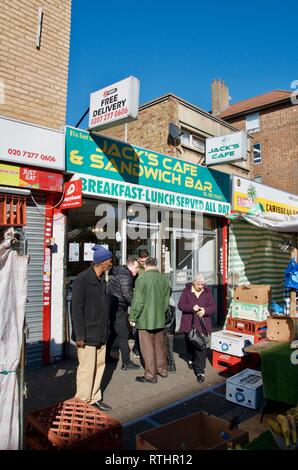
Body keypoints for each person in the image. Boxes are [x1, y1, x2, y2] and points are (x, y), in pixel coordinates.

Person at [71, 245, 113, 411]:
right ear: (101, 262)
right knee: (86, 370)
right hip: (87, 334)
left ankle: (95, 397)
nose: (111, 264)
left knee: (99, 366)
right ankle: (82, 402)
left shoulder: (102, 280)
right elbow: (76, 310)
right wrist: (80, 336)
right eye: (109, 261)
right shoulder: (82, 280)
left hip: (101, 332)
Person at [129, 257, 171, 383]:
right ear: (156, 265)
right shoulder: (164, 279)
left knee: (147, 349)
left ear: (145, 266)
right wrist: (161, 313)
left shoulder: (141, 279)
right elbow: (166, 300)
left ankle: (150, 375)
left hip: (144, 320)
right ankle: (162, 370)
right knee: (160, 346)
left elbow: (138, 301)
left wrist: (132, 317)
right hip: (159, 318)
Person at [178, 273, 216, 384]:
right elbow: (180, 305)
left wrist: (205, 311)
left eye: (203, 284)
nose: (201, 286)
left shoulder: (207, 292)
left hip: (202, 326)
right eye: (199, 284)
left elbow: (212, 307)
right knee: (189, 344)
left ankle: (200, 372)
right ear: (193, 283)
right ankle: (190, 359)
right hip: (188, 324)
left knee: (201, 347)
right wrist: (191, 307)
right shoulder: (186, 291)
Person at [106, 256, 140, 370]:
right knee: (123, 334)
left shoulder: (120, 273)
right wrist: (136, 307)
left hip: (112, 306)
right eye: (136, 267)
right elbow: (127, 295)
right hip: (119, 308)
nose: (137, 270)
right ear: (130, 266)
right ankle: (126, 362)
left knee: (113, 333)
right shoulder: (126, 276)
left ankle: (106, 357)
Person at [131, 248, 150, 358]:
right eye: (142, 260)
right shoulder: (136, 268)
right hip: (139, 298)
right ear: (138, 259)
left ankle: (140, 347)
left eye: (145, 259)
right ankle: (137, 348)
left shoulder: (151, 266)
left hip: (148, 298)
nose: (143, 261)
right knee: (138, 325)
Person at [164, 296, 177, 373]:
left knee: (168, 348)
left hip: (167, 328)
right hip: (170, 328)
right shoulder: (170, 299)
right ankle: (171, 365)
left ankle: (172, 365)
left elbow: (168, 317)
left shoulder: (167, 300)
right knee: (168, 348)